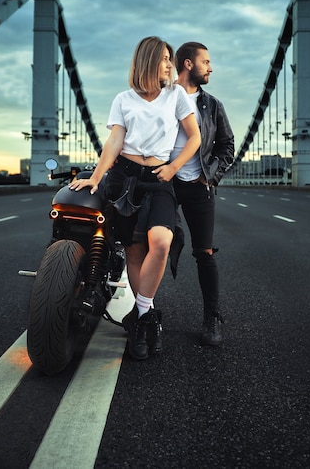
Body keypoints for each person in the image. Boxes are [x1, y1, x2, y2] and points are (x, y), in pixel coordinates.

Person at [69, 36, 201, 361]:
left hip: (159, 179)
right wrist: (96, 178)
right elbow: (115, 141)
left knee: (161, 241)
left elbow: (194, 137)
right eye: (165, 58)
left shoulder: (176, 96)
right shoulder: (123, 99)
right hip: (124, 178)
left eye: (172, 59)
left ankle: (141, 312)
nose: (170, 65)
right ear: (148, 60)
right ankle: (144, 319)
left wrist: (173, 167)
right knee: (135, 251)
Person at [170, 42, 234, 346]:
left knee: (204, 253)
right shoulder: (162, 97)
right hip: (164, 183)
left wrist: (212, 176)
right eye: (206, 62)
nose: (211, 68)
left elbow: (227, 146)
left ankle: (212, 317)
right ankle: (144, 315)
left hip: (199, 184)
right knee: (152, 244)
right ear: (187, 64)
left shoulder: (213, 105)